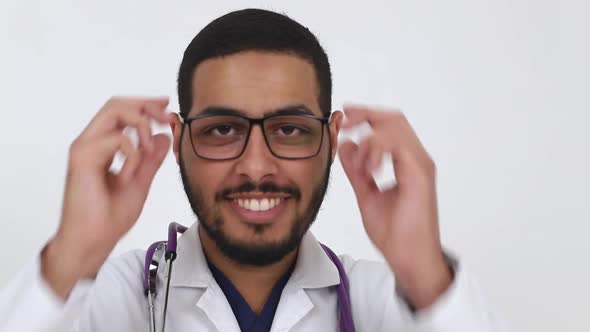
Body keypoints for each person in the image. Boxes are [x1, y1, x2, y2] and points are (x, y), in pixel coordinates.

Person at [0, 8, 508, 332]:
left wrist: (424, 274)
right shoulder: (110, 299)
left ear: (332, 140)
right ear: (177, 141)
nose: (257, 165)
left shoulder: (391, 304)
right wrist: (73, 251)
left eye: (289, 129)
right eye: (222, 129)